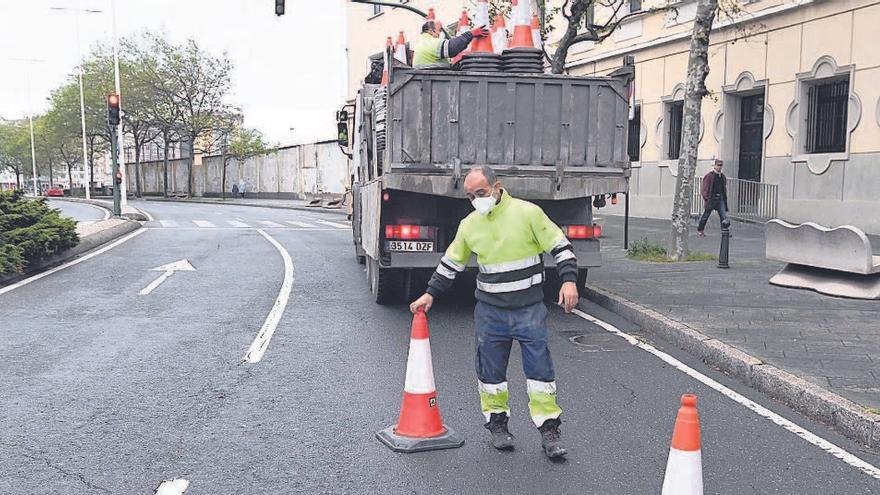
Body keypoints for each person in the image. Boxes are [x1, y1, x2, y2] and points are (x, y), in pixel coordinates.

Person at [409, 166, 578, 459]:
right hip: (490, 312)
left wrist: (569, 280)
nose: (477, 200)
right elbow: (451, 263)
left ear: (497, 187)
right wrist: (429, 293)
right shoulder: (470, 225)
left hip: (529, 310)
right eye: (471, 196)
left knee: (540, 373)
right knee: (490, 374)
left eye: (482, 193)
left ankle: (549, 431)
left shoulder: (528, 214)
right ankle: (498, 425)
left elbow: (560, 248)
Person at [413, 20, 489, 67]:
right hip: (433, 79)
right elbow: (452, 48)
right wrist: (471, 34)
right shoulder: (429, 42)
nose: (439, 34)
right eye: (439, 30)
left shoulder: (421, 42)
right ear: (430, 30)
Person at [697, 159, 729, 237]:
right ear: (714, 166)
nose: (719, 167)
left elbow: (723, 188)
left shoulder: (722, 177)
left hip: (720, 198)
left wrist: (724, 198)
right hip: (711, 198)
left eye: (721, 165)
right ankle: (700, 230)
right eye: (718, 165)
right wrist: (707, 198)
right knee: (706, 215)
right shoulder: (709, 176)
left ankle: (724, 232)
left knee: (723, 216)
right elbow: (705, 188)